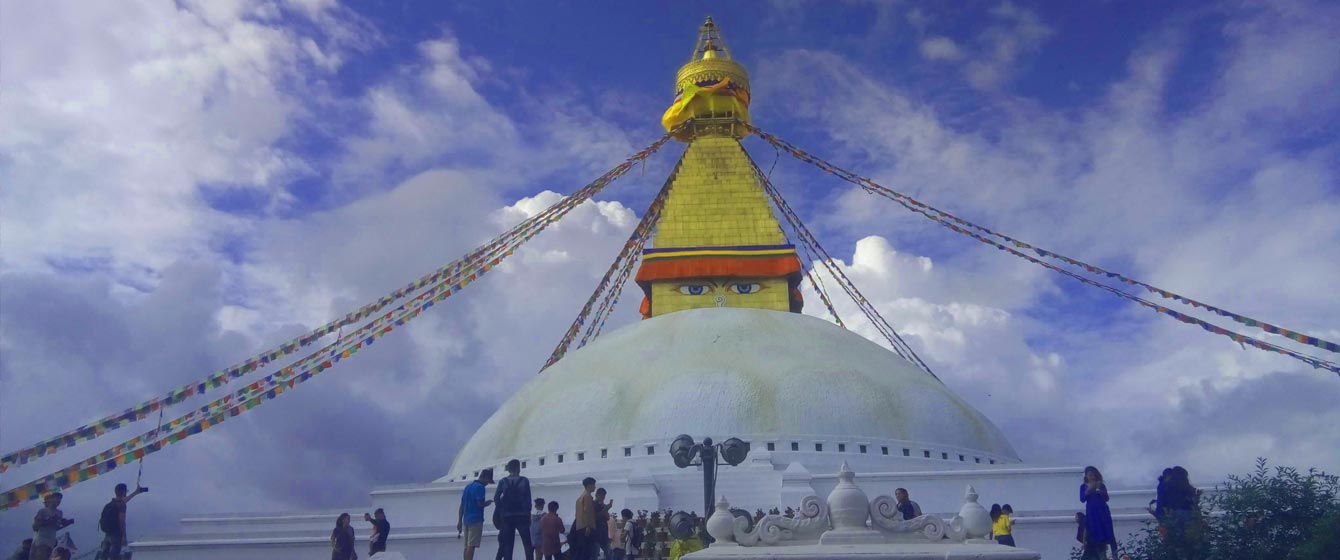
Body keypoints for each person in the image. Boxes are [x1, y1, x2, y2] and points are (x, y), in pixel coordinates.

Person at [495, 459, 535, 560]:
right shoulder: (524, 481)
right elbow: (528, 499)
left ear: (509, 469)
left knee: (508, 545)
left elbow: (496, 498)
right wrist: (528, 514)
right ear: (518, 468)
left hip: (507, 517)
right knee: (527, 544)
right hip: (522, 516)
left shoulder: (502, 482)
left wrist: (501, 511)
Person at [98, 483, 147, 560]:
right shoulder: (122, 505)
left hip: (107, 534)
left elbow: (123, 501)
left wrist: (135, 492)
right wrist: (124, 537)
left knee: (104, 556)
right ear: (124, 492)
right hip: (116, 535)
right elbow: (122, 522)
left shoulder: (110, 504)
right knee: (114, 557)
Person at [1080, 466, 1117, 560]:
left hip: (1103, 512)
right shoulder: (1083, 486)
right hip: (1092, 513)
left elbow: (1107, 498)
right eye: (1090, 475)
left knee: (1108, 533)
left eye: (1093, 475)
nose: (1092, 477)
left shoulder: (1101, 485)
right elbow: (1082, 499)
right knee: (1095, 534)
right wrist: (1089, 489)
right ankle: (1099, 555)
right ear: (1086, 476)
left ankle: (1114, 555)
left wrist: (1100, 490)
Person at [458, 468, 495, 560]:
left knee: (466, 546)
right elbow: (480, 504)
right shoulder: (480, 487)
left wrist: (459, 521)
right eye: (488, 481)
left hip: (466, 520)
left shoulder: (468, 487)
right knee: (472, 545)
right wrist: (488, 503)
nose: (487, 484)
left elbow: (462, 505)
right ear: (485, 477)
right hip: (476, 520)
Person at [31, 493, 74, 560]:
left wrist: (67, 523)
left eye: (60, 500)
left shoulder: (59, 513)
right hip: (41, 540)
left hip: (51, 542)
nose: (58, 501)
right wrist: (47, 521)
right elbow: (35, 527)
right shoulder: (43, 511)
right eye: (56, 499)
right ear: (51, 499)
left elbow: (55, 528)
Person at [573, 477, 598, 560]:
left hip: (579, 526)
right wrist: (588, 526)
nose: (595, 487)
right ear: (589, 485)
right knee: (587, 553)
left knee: (581, 552)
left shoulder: (579, 498)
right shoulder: (588, 497)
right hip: (587, 527)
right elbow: (588, 512)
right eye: (594, 485)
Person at [594, 488, 613, 560]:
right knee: (595, 553)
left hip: (604, 533)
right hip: (595, 533)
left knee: (609, 552)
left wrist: (605, 508)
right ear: (596, 495)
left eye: (603, 497)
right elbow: (596, 517)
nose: (602, 498)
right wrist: (605, 509)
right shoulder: (593, 505)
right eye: (601, 496)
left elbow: (607, 518)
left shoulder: (602, 505)